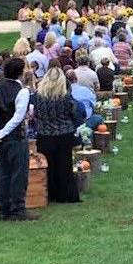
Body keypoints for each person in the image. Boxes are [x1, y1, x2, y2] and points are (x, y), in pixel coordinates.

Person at [0, 57, 38, 221]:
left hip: (1, 137)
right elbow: (18, 117)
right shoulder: (22, 91)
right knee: (18, 174)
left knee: (5, 173)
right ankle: (17, 209)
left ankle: (5, 209)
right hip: (15, 137)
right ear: (21, 73)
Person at [33, 67, 82, 204]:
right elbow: (73, 112)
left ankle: (50, 193)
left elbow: (36, 113)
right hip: (64, 133)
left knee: (48, 165)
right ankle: (65, 194)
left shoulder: (38, 96)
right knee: (64, 164)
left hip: (45, 133)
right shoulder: (65, 96)